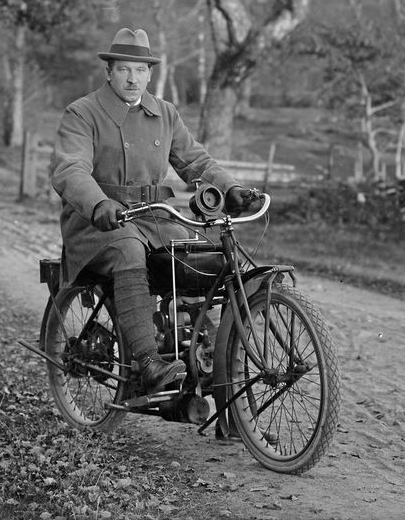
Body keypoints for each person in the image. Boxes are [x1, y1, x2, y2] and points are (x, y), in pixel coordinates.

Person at [50, 27, 258, 393]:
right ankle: (148, 362)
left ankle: (215, 358)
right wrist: (98, 203)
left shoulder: (164, 113)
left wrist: (231, 188)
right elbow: (70, 168)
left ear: (149, 73)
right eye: (124, 69)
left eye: (140, 70)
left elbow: (196, 162)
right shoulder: (83, 113)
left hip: (154, 218)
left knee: (207, 255)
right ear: (109, 72)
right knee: (128, 249)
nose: (133, 79)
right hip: (98, 222)